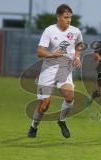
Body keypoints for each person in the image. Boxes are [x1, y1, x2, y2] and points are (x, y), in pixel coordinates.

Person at [27, 4, 83, 138]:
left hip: (65, 69)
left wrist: (77, 56)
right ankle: (34, 125)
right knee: (45, 105)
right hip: (49, 70)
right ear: (58, 17)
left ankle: (62, 120)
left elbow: (79, 45)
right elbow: (39, 51)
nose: (68, 20)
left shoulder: (75, 31)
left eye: (70, 17)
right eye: (65, 17)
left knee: (70, 97)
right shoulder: (49, 31)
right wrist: (52, 54)